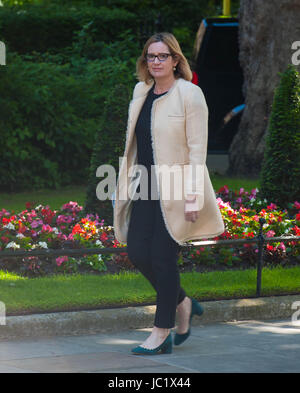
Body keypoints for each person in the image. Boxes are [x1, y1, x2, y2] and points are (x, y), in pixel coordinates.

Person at [113, 32, 224, 355]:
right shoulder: (141, 91)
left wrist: (193, 196)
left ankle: (161, 333)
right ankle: (183, 302)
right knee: (137, 251)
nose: (157, 62)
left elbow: (197, 150)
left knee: (163, 258)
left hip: (176, 189)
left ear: (176, 60)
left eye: (163, 56)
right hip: (145, 185)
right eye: (151, 56)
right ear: (144, 62)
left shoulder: (190, 94)